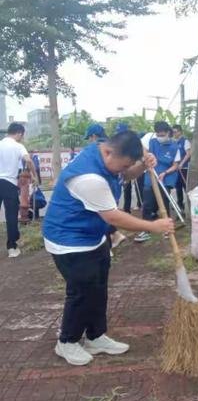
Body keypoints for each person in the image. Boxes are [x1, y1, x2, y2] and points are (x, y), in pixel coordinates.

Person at [42, 131, 174, 366]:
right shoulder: (90, 178)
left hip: (92, 235)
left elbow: (126, 174)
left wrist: (143, 166)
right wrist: (153, 226)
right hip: (68, 239)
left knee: (98, 286)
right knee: (81, 292)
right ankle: (67, 342)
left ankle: (95, 336)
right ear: (109, 152)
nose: (123, 170)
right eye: (123, 165)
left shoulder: (107, 154)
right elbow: (115, 217)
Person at [135, 121, 180, 243]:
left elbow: (175, 165)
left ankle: (167, 228)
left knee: (164, 204)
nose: (160, 137)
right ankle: (146, 230)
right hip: (151, 177)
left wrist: (165, 173)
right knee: (147, 204)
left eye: (162, 134)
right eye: (158, 134)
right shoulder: (151, 142)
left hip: (165, 179)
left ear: (168, 133)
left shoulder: (174, 147)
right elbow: (143, 152)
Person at [0, 123, 38, 257]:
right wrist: (34, 175)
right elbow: (28, 161)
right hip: (9, 183)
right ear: (19, 133)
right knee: (11, 216)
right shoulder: (18, 146)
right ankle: (12, 248)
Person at [172, 124, 191, 215]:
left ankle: (189, 206)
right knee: (178, 188)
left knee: (185, 187)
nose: (174, 134)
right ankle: (180, 207)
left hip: (184, 168)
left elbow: (188, 154)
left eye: (175, 132)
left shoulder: (185, 141)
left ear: (180, 132)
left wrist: (182, 164)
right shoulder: (174, 142)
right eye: (173, 132)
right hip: (176, 169)